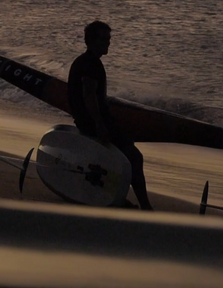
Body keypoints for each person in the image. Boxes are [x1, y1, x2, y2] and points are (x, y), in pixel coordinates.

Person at [66, 21, 154, 211]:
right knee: (133, 157)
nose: (108, 43)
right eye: (103, 39)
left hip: (88, 122)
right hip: (91, 124)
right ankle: (144, 206)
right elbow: (89, 96)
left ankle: (117, 199)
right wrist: (99, 125)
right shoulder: (90, 64)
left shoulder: (86, 61)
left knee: (115, 157)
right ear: (90, 41)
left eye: (109, 39)